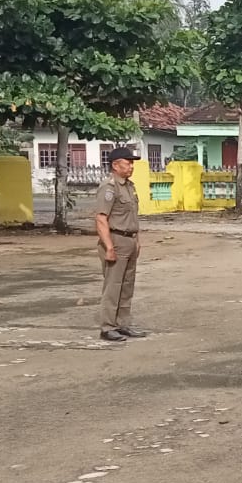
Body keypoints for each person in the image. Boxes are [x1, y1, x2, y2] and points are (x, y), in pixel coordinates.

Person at [94, 147, 146, 343]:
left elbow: (133, 217)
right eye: (128, 162)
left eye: (132, 163)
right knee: (113, 285)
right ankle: (108, 327)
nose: (131, 166)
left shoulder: (129, 187)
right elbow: (101, 219)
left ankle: (123, 324)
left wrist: (137, 241)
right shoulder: (109, 188)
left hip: (130, 240)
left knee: (127, 285)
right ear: (116, 165)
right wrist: (109, 247)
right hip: (115, 239)